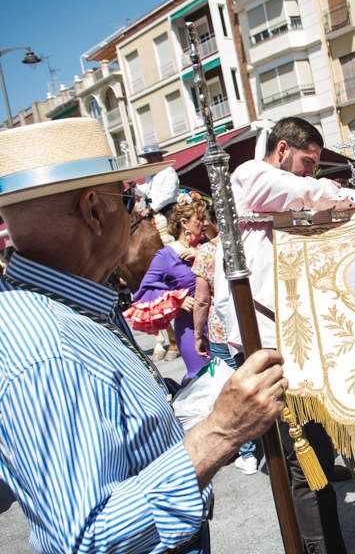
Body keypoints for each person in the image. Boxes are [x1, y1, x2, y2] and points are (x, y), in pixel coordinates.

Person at [0, 118, 287, 553]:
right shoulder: (50, 350)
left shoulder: (66, 305)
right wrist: (220, 432)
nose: (140, 212)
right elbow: (87, 540)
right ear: (94, 210)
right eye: (129, 197)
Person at [213, 116, 355, 552]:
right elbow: (303, 193)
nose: (311, 171)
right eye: (307, 161)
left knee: (312, 455)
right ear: (283, 149)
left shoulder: (283, 192)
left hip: (292, 335)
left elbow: (315, 214)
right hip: (266, 337)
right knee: (303, 461)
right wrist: (351, 196)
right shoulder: (251, 175)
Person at [125, 193, 209, 382]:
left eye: (205, 219)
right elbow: (143, 292)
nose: (205, 223)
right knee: (203, 381)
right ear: (184, 223)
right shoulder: (166, 255)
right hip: (190, 329)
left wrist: (201, 256)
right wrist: (175, 299)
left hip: (220, 325)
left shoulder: (209, 246)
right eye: (200, 219)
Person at [135, 144, 181, 243]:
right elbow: (146, 190)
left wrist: (151, 208)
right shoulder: (150, 174)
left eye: (151, 156)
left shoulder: (169, 171)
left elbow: (169, 194)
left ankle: (181, 246)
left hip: (168, 208)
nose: (148, 160)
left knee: (175, 230)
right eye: (147, 157)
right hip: (151, 208)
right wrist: (134, 186)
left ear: (159, 156)